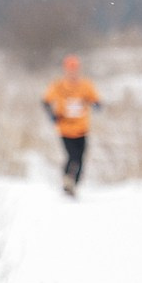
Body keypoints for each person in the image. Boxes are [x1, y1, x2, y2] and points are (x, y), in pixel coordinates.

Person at [41, 54, 102, 197]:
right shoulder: (58, 86)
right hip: (65, 129)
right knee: (72, 156)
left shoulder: (86, 85)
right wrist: (52, 115)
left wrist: (95, 104)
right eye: (70, 70)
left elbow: (96, 101)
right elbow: (45, 102)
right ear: (65, 70)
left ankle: (73, 184)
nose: (72, 73)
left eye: (75, 69)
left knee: (80, 158)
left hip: (82, 128)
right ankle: (67, 181)